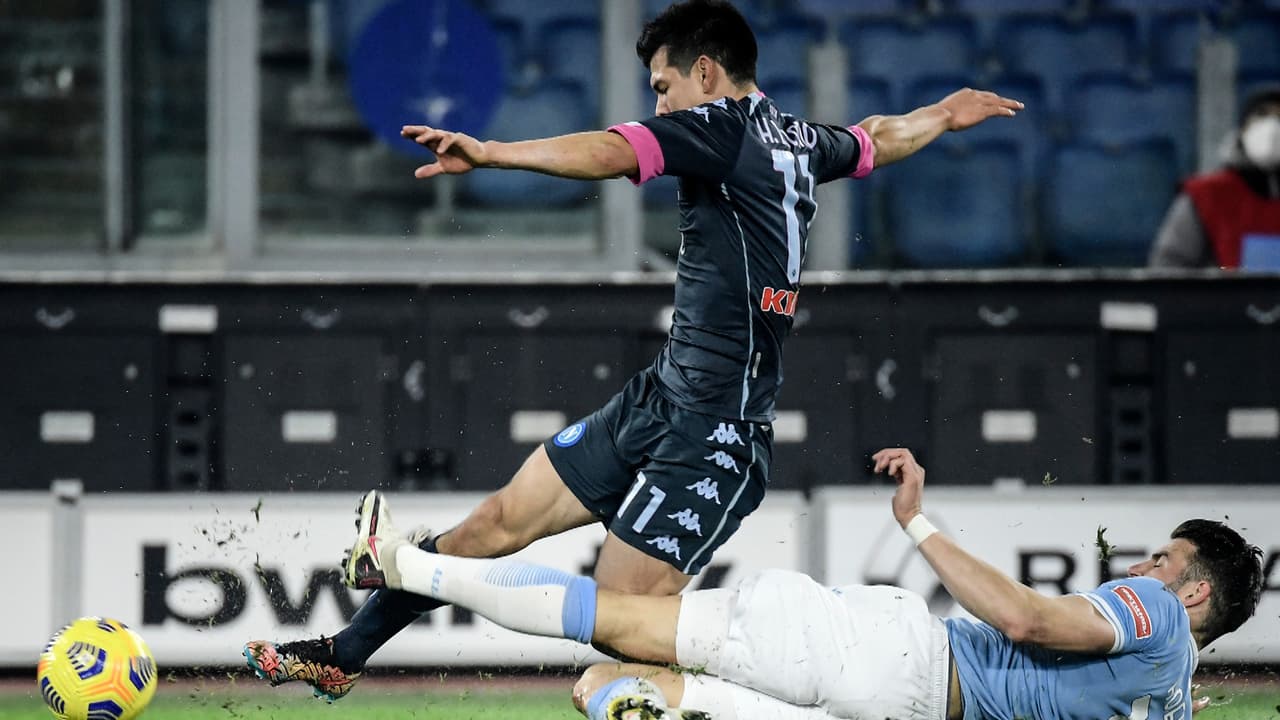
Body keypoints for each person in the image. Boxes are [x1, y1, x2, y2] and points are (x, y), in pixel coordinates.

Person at [244, 0, 1023, 700]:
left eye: (662, 85)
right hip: (661, 396)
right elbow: (877, 138)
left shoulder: (720, 129)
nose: (658, 105)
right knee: (496, 524)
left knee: (621, 629)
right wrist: (942, 114)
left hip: (717, 431)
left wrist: (494, 153)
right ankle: (344, 655)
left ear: (706, 73)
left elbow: (611, 150)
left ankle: (734, 702)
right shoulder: (800, 140)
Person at [338, 447, 1264, 720]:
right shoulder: (1169, 698)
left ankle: (408, 564)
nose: (1140, 569)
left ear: (1192, 595)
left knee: (619, 619)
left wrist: (918, 524)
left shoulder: (1153, 617)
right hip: (900, 712)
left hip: (895, 653)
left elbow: (1023, 619)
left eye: (1160, 561)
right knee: (603, 687)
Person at [1150, 85, 1280, 268]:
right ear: (1243, 131)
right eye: (1261, 115)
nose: (1273, 128)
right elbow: (1170, 266)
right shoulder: (1207, 195)